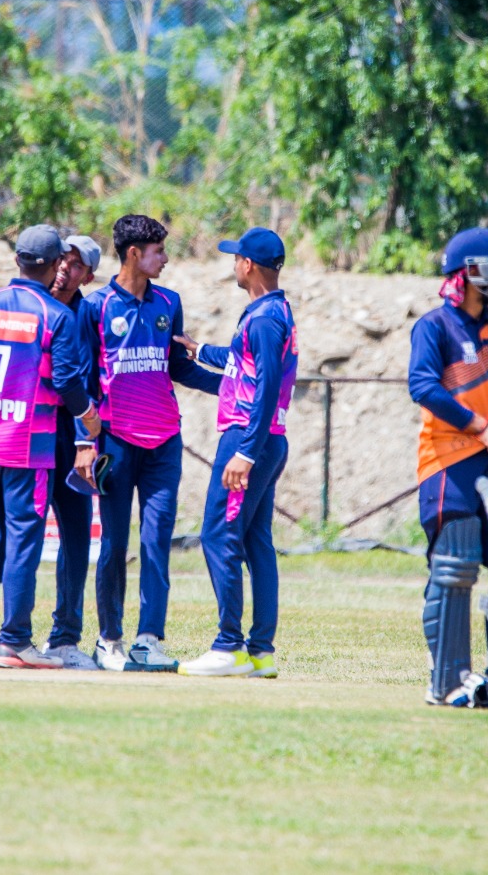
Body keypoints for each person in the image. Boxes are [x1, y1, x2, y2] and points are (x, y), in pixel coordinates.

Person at [0, 227, 101, 669]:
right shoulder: (54, 315)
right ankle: (15, 641)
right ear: (55, 264)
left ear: (17, 259)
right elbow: (67, 381)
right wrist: (88, 415)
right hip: (30, 446)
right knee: (23, 541)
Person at [85, 214, 222, 672]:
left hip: (164, 441)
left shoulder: (169, 302)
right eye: (158, 251)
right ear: (133, 254)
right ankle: (109, 639)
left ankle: (148, 640)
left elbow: (178, 367)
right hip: (115, 442)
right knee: (113, 545)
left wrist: (231, 386)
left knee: (157, 541)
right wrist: (85, 440)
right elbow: (83, 380)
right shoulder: (97, 306)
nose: (165, 259)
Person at [409, 227, 488, 708]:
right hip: (449, 461)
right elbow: (423, 386)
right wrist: (481, 427)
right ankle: (447, 680)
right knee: (454, 567)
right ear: (472, 272)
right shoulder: (435, 326)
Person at [172, 228, 297, 678]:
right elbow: (243, 364)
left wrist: (245, 451)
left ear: (248, 265)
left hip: (248, 437)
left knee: (218, 535)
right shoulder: (273, 310)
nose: (233, 265)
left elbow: (265, 387)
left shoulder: (263, 319)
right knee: (255, 539)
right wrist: (199, 351)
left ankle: (229, 646)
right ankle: (261, 652)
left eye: (235, 258)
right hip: (268, 437)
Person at [43, 234, 105, 670]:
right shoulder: (31, 303)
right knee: (13, 535)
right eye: (63, 259)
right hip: (30, 433)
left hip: (73, 436)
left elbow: (87, 381)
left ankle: (64, 637)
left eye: (77, 264)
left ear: (88, 276)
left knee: (77, 536)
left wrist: (86, 441)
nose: (66, 267)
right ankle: (0, 635)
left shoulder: (86, 314)